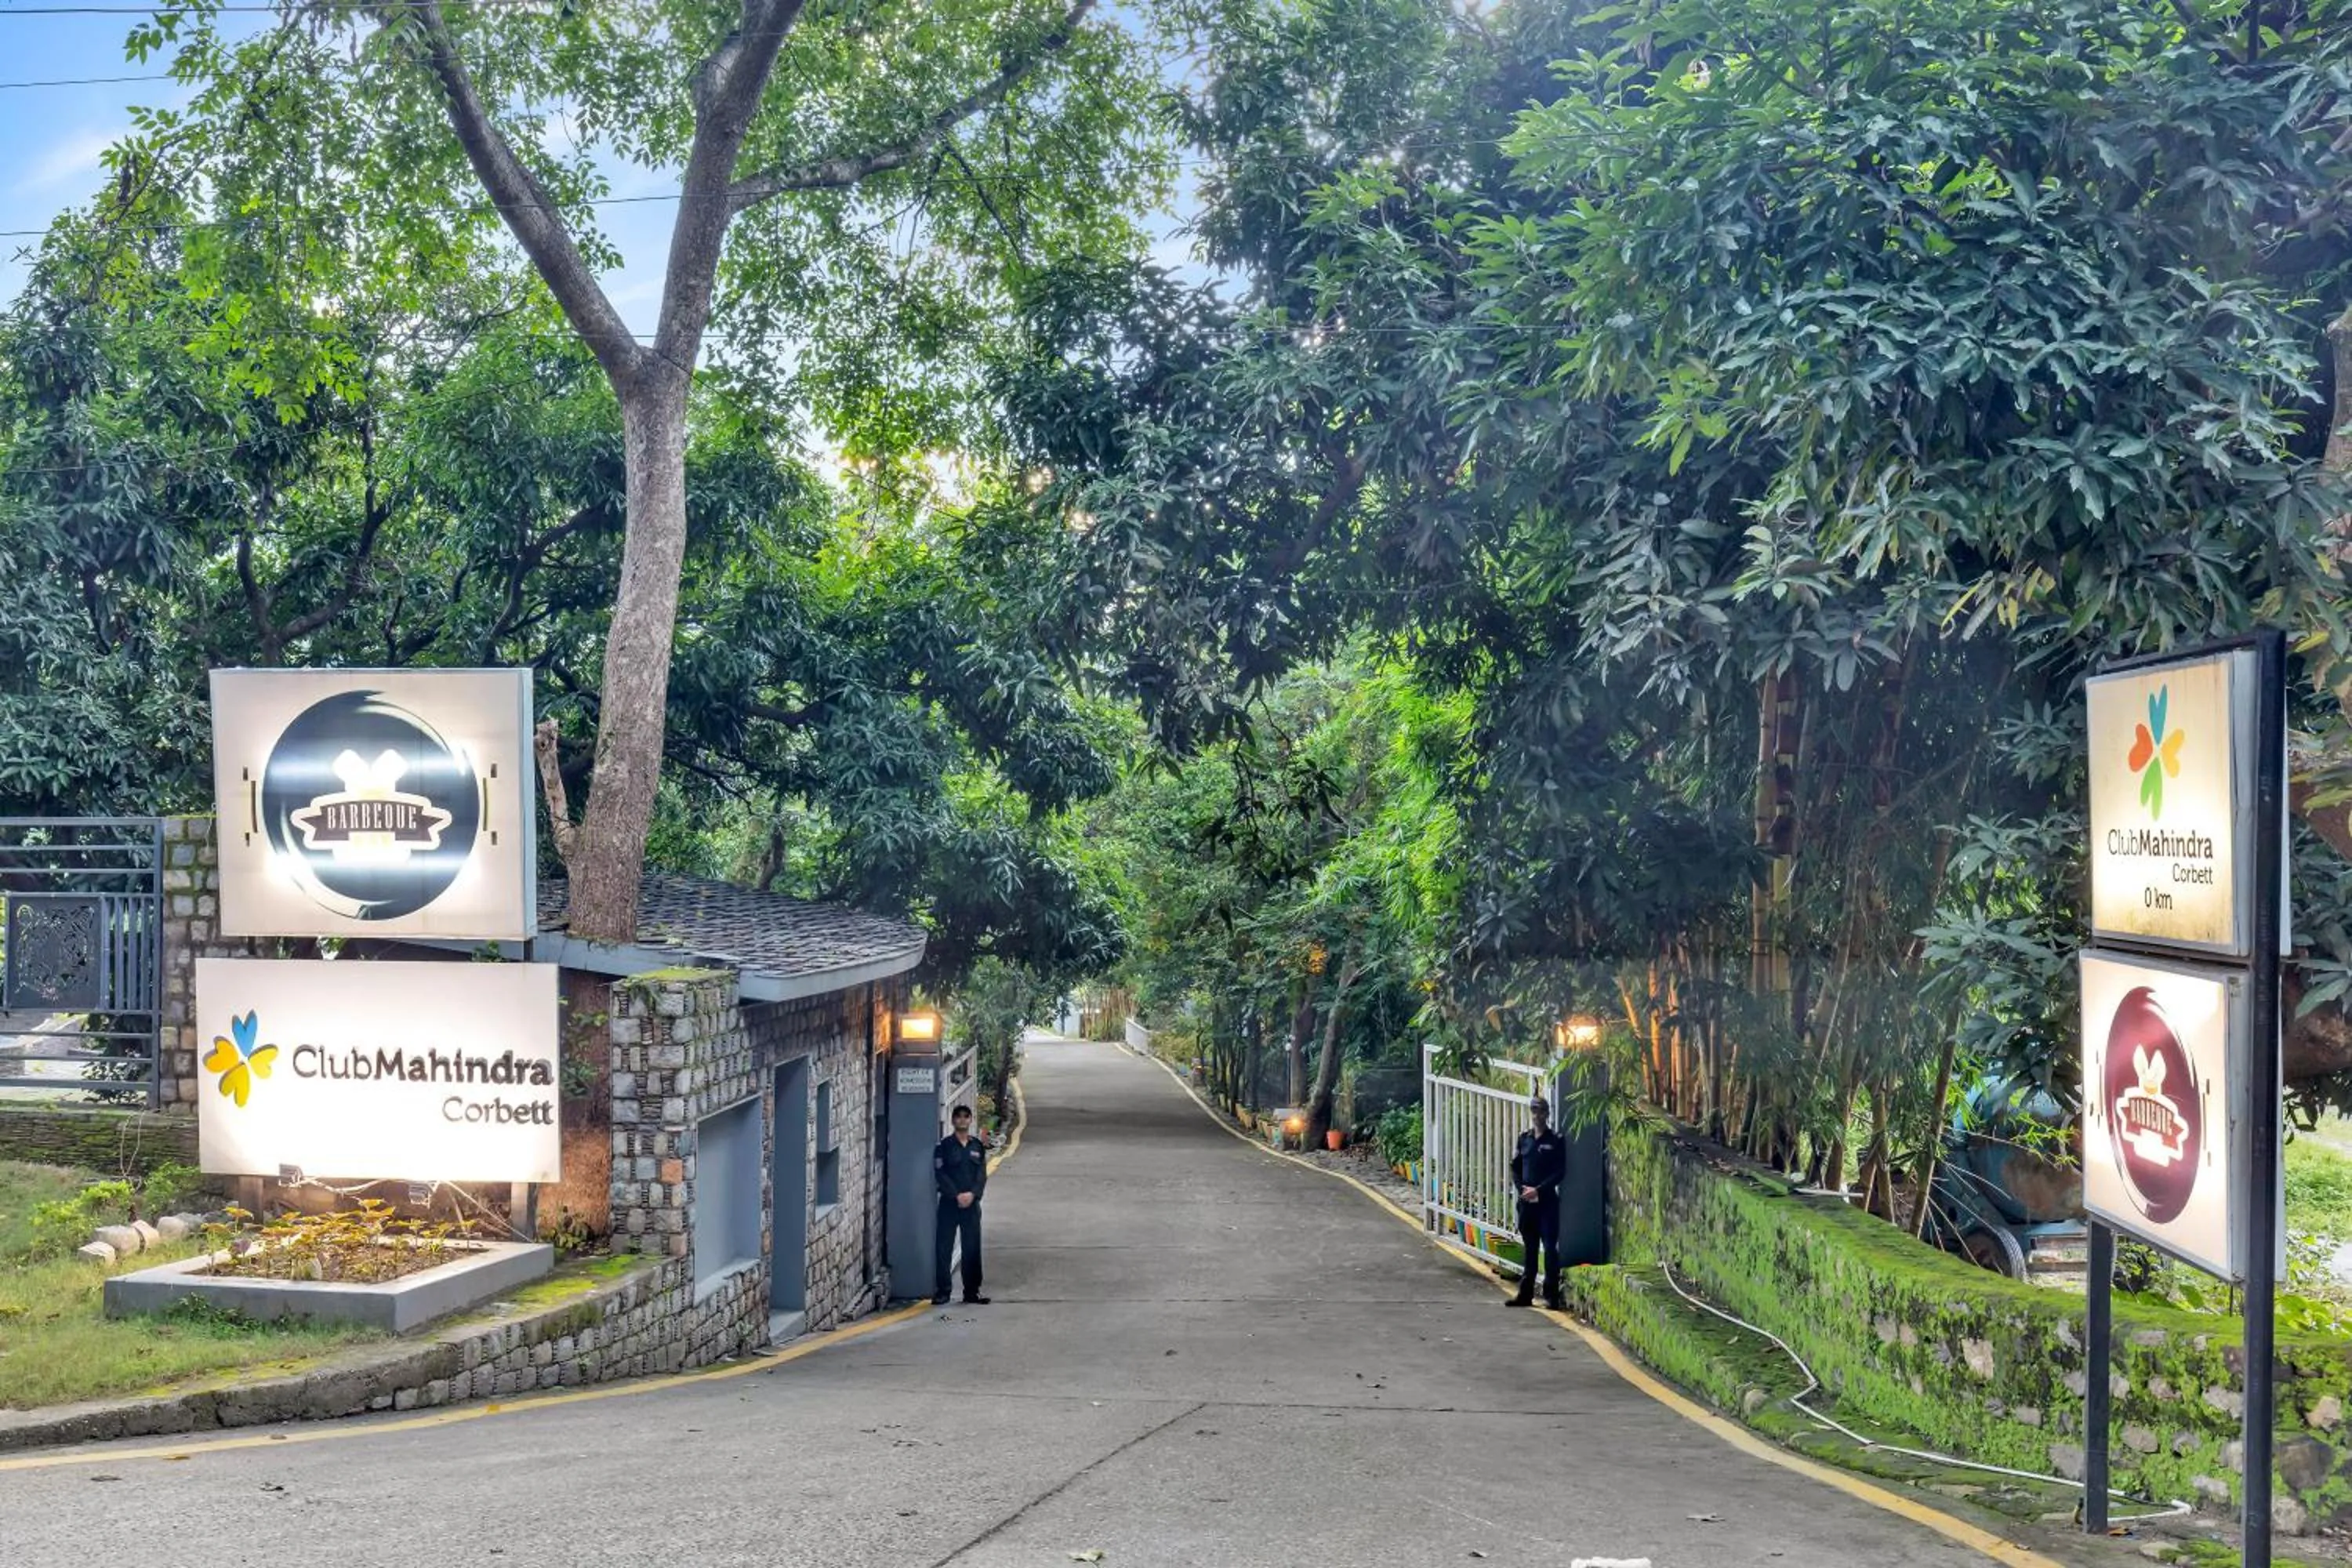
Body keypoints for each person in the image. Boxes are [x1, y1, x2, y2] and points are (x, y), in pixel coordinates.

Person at [1506, 1093, 1568, 1308]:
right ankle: (1525, 1294)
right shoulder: (1524, 1138)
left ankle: (1551, 1295)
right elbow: (1515, 1166)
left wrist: (1539, 1190)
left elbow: (1560, 1172)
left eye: (1541, 1110)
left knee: (1550, 1248)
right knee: (1530, 1249)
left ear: (1547, 1113)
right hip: (1527, 1204)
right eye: (1534, 1110)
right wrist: (1522, 1188)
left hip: (1547, 1203)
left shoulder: (1556, 1140)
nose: (1537, 1115)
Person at [933, 1102, 990, 1306]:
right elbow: (940, 1174)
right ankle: (943, 1291)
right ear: (953, 1120)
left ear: (971, 1120)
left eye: (966, 1116)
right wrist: (956, 1195)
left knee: (972, 1248)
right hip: (950, 1204)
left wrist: (973, 1195)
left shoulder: (977, 1146)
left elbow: (981, 1175)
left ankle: (972, 1292)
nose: (962, 1120)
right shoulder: (944, 1146)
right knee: (943, 1248)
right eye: (958, 1116)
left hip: (971, 1206)